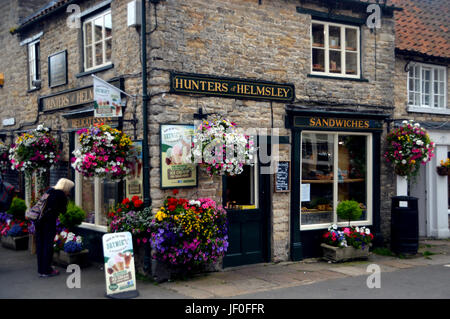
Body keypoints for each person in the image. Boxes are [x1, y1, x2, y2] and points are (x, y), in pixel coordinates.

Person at [35, 178, 74, 278]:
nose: (70, 191)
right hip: (48, 223)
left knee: (41, 245)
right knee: (48, 246)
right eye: (70, 188)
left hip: (39, 222)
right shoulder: (61, 195)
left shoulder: (49, 191)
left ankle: (41, 269)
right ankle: (47, 270)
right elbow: (63, 210)